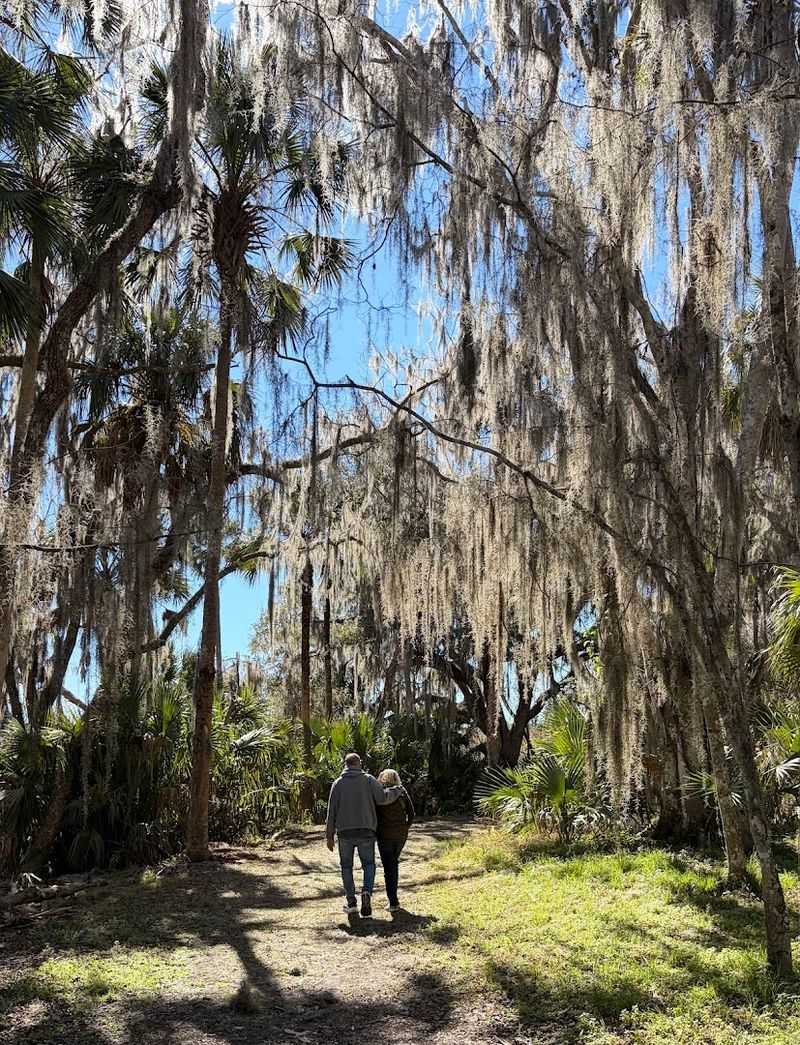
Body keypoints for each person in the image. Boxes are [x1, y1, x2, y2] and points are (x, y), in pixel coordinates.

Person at [325, 752, 402, 917]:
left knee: (346, 867)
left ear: (345, 764)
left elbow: (331, 811)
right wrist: (396, 790)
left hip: (344, 832)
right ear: (358, 763)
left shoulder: (337, 784)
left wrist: (329, 835)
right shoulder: (368, 780)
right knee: (368, 864)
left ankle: (351, 902)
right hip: (366, 831)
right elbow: (382, 799)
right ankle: (366, 892)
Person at [376, 769, 415, 912]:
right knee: (394, 864)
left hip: (384, 835)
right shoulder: (402, 792)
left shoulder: (379, 795)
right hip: (400, 835)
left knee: (389, 868)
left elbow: (374, 815)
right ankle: (394, 901)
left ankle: (393, 902)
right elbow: (411, 813)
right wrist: (405, 827)